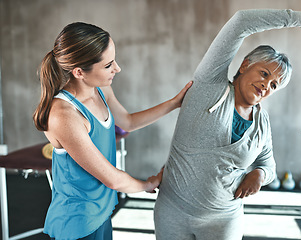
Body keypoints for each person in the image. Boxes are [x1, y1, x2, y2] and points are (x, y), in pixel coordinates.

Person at [154, 9, 301, 240]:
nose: (266, 85)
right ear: (245, 65)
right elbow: (241, 22)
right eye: (264, 73)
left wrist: (259, 174)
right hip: (173, 211)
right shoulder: (209, 86)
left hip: (224, 219)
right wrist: (299, 19)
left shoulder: (261, 122)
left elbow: (269, 166)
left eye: (274, 85)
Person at [33, 22, 192, 240]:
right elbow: (113, 180)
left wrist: (175, 103)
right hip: (77, 222)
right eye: (108, 65)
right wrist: (149, 184)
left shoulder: (100, 88)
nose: (117, 68)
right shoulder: (64, 115)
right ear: (79, 72)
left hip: (101, 212)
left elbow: (127, 121)